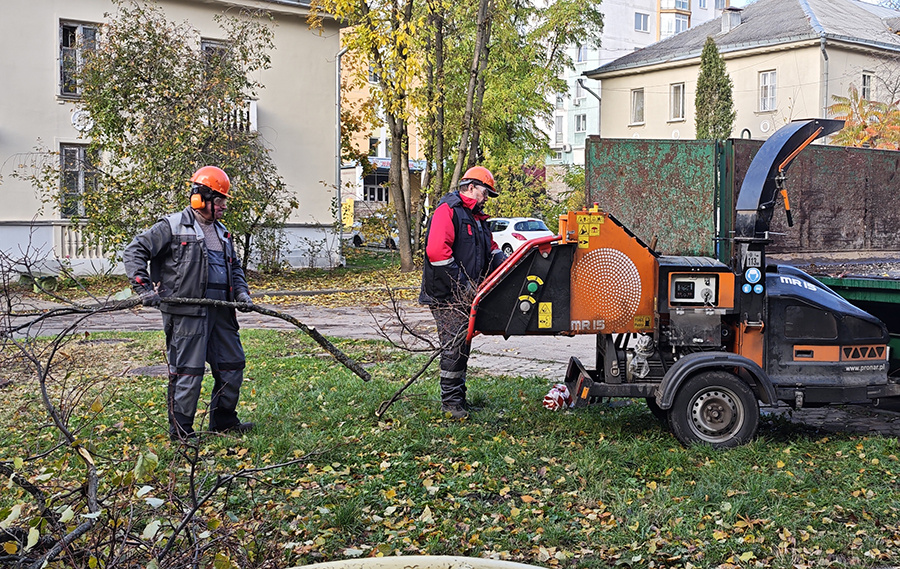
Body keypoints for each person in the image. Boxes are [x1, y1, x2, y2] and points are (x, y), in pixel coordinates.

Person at [123, 166, 255, 440]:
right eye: (220, 201)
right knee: (188, 373)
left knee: (232, 365)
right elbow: (135, 250)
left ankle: (224, 422)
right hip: (187, 315)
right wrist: (143, 287)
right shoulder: (170, 226)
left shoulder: (223, 233)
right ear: (200, 198)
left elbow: (235, 268)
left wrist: (241, 293)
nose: (223, 207)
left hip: (222, 313)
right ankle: (181, 432)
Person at [419, 166, 506, 419]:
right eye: (485, 191)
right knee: (453, 347)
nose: (487, 197)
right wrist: (462, 285)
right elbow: (437, 252)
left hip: (466, 294)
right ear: (470, 187)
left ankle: (459, 400)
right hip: (447, 296)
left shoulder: (477, 219)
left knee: (462, 347)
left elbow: (491, 250)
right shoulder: (449, 211)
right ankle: (451, 405)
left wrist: (509, 265)